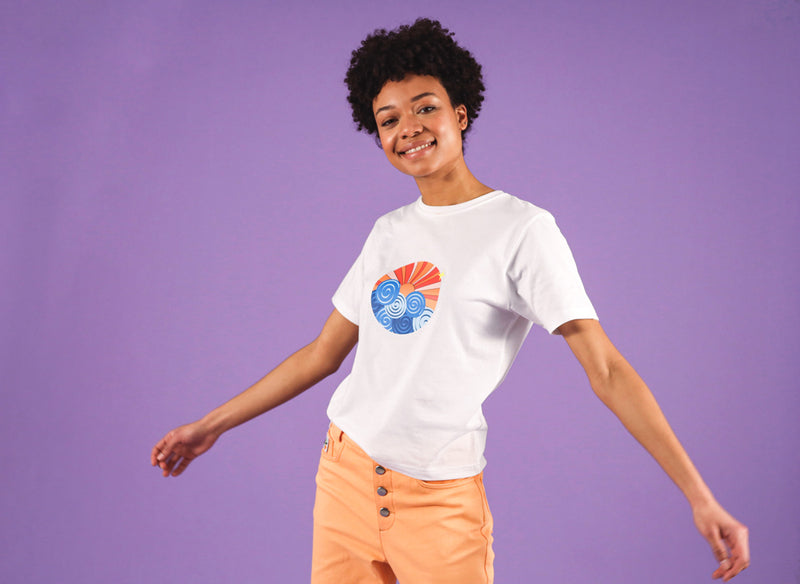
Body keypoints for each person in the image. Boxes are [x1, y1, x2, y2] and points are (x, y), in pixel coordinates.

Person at [151, 18, 750, 583]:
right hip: (344, 477)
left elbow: (607, 369)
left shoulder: (521, 229)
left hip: (440, 500)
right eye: (388, 119)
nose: (407, 127)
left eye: (425, 108)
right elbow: (323, 353)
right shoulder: (389, 231)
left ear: (460, 115)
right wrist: (211, 426)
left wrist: (700, 497)